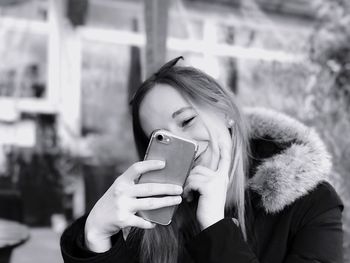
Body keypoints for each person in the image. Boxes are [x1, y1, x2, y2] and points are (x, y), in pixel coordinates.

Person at [60, 57, 343, 263]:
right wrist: (95, 239)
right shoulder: (154, 219)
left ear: (225, 111)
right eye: (161, 138)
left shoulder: (313, 203)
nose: (186, 145)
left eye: (186, 120)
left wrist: (214, 226)